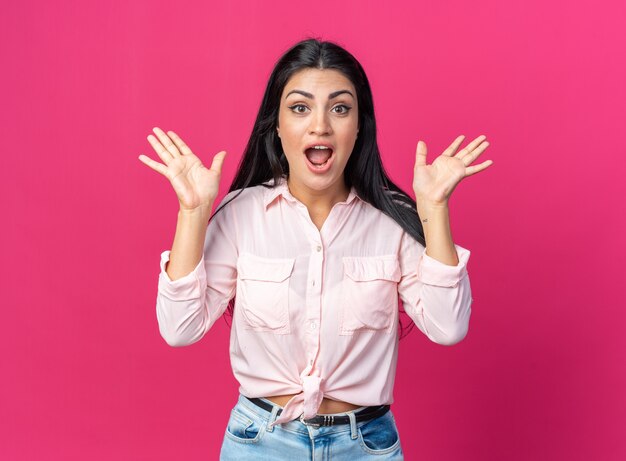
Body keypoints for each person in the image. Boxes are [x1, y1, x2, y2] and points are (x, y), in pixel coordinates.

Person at [138, 38, 492, 460]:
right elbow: (179, 328)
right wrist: (193, 212)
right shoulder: (241, 214)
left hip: (366, 446)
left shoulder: (392, 219)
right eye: (300, 107)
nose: (320, 125)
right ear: (277, 125)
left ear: (359, 126)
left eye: (340, 108)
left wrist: (433, 210)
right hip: (260, 444)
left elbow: (448, 327)